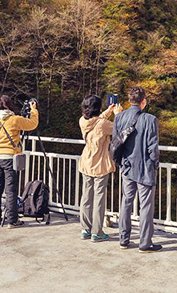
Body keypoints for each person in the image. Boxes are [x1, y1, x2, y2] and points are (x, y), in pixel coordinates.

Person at [113, 86, 161, 252]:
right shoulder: (150, 119)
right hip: (145, 169)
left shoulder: (119, 117)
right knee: (145, 206)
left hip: (127, 166)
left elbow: (116, 142)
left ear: (129, 100)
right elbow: (153, 147)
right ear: (143, 101)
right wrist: (155, 164)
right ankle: (145, 243)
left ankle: (123, 239)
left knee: (126, 202)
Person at [0, 95, 39, 228]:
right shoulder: (14, 119)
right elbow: (32, 124)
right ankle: (12, 220)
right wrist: (33, 110)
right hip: (10, 157)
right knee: (11, 190)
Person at [78, 95, 121, 242]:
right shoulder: (103, 124)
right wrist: (118, 114)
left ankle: (85, 229)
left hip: (86, 162)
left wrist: (108, 111)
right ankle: (97, 232)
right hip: (100, 164)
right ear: (98, 108)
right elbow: (118, 128)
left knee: (86, 197)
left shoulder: (83, 121)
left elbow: (97, 121)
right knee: (99, 199)